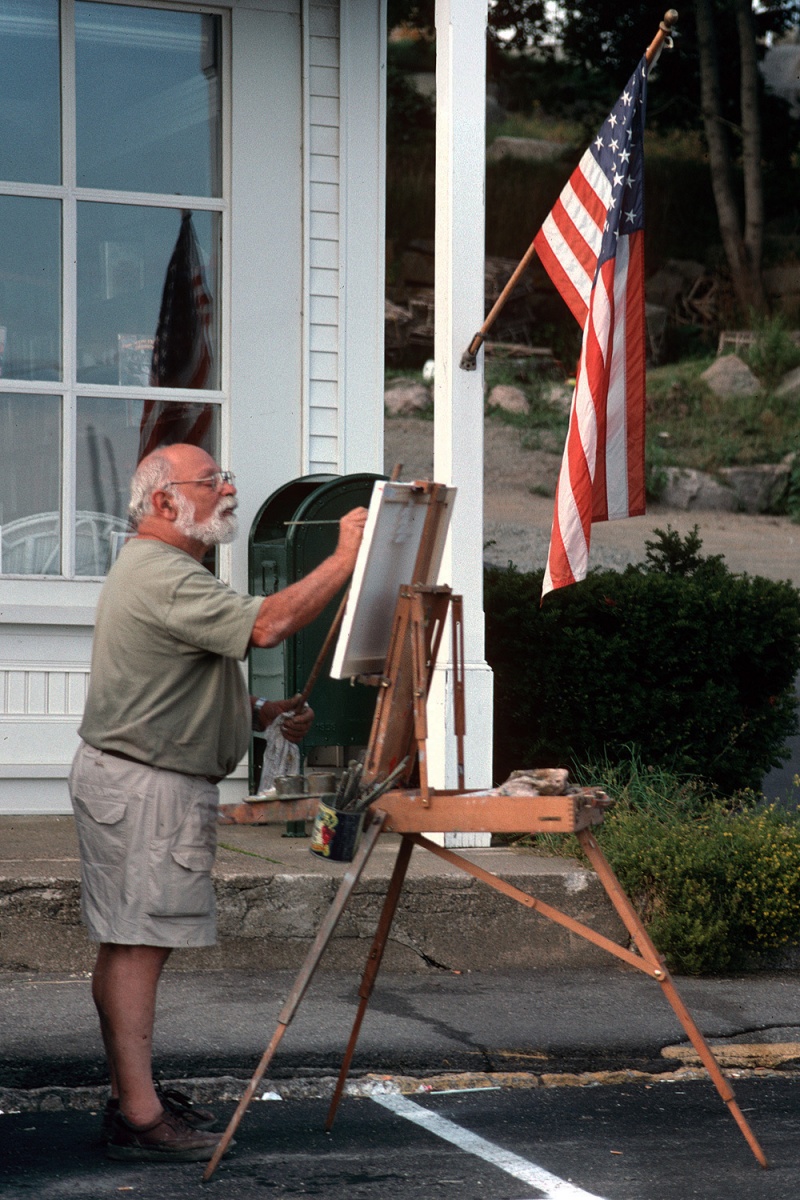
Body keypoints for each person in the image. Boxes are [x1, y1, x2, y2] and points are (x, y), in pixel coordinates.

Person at [68, 443, 367, 1162]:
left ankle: (130, 1099)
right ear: (165, 502)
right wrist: (346, 554)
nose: (229, 488)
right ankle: (141, 1117)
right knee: (139, 946)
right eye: (212, 481)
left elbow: (174, 682)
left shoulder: (161, 570)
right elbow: (265, 626)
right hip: (147, 787)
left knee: (128, 943)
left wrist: (258, 712)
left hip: (136, 778)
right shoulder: (161, 572)